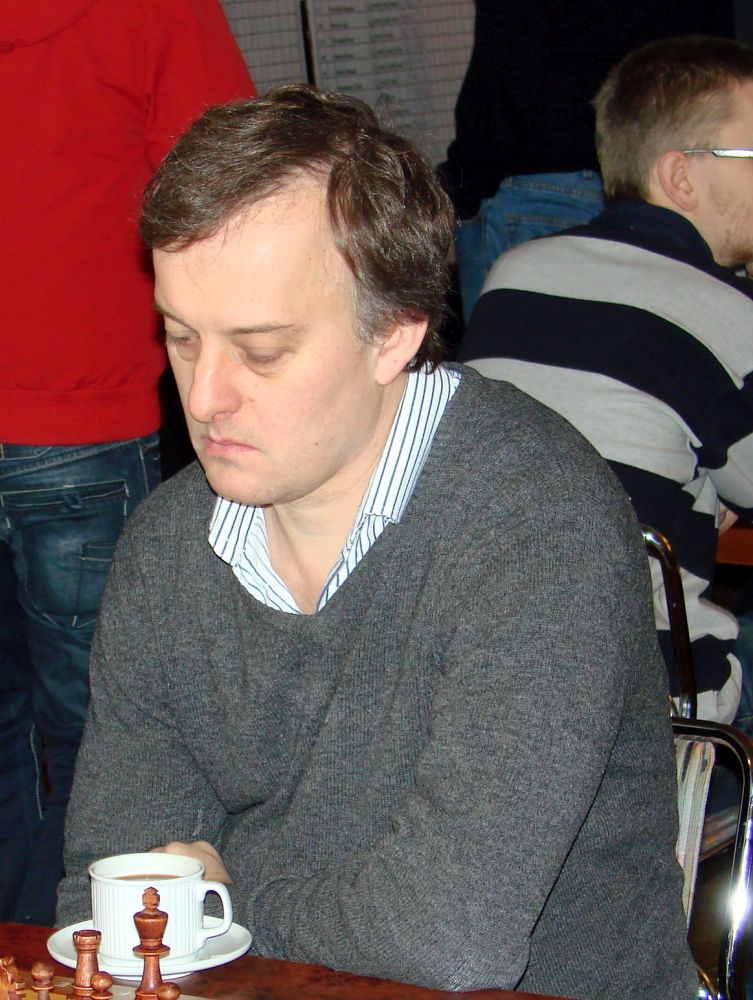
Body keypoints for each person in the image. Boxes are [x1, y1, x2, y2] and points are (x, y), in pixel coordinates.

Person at [57, 85, 697, 998]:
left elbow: (445, 938)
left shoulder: (534, 521)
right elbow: (107, 892)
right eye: (181, 336)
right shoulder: (168, 549)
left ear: (394, 333)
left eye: (262, 350)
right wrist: (187, 910)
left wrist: (216, 899)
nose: (203, 397)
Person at [0, 0, 253, 924]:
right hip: (83, 422)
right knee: (115, 738)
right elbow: (229, 192)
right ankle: (105, 951)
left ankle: (6, 949)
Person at [459, 35, 753, 732]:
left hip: (489, 683)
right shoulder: (725, 312)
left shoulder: (512, 274)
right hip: (650, 712)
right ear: (680, 177)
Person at [439, 0, 734, 321]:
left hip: (538, 187)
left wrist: (461, 186)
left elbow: (503, 71)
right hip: (662, 185)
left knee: (522, 347)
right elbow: (717, 63)